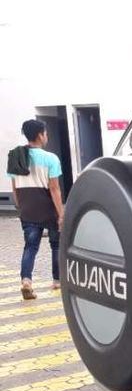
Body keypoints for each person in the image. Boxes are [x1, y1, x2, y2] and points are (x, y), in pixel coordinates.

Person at [6, 119, 64, 300]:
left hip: (27, 208)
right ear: (40, 135)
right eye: (45, 133)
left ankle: (26, 281)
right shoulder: (50, 158)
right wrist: (61, 213)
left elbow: (14, 186)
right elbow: (54, 188)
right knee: (56, 245)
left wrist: (20, 206)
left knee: (30, 246)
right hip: (47, 208)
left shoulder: (15, 156)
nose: (46, 136)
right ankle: (57, 280)